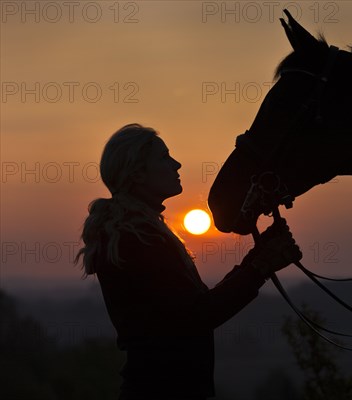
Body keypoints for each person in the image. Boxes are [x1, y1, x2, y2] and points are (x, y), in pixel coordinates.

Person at [75, 123, 302, 400]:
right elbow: (198, 316)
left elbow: (195, 306)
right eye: (164, 157)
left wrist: (258, 256)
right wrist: (261, 266)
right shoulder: (136, 239)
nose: (177, 164)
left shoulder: (136, 232)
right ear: (136, 173)